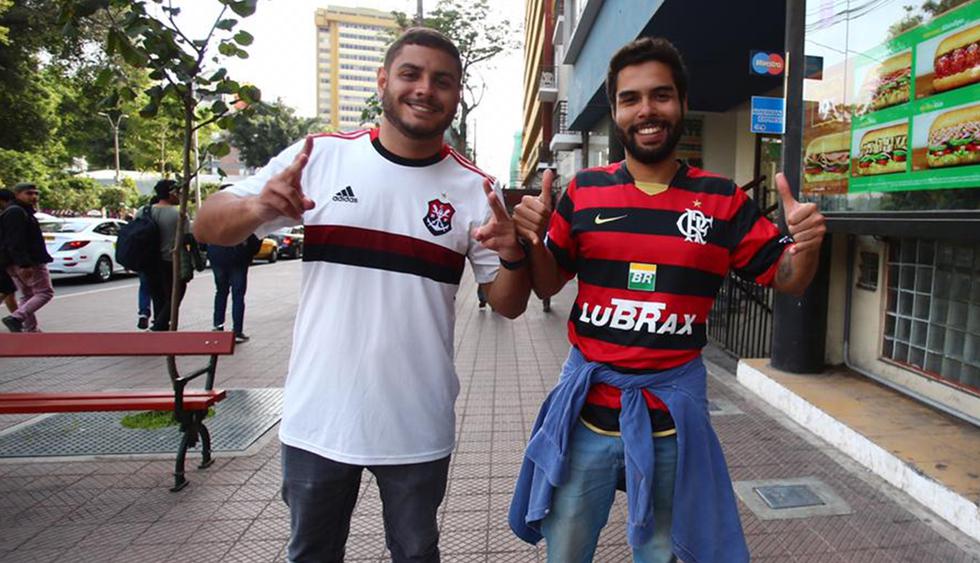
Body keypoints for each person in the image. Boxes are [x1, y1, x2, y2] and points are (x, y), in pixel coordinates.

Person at [193, 28, 532, 563]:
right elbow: (208, 225)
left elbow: (508, 303)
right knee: (312, 553)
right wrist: (258, 208)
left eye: (442, 81)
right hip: (319, 419)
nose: (425, 89)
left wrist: (514, 256)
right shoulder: (319, 157)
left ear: (457, 94)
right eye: (410, 74)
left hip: (417, 420)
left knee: (416, 553)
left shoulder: (476, 188)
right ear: (382, 80)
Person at [507, 37, 826, 563]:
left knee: (661, 552)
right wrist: (532, 242)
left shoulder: (723, 200)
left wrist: (807, 246)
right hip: (587, 413)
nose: (646, 110)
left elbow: (787, 278)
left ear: (682, 103)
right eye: (630, 99)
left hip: (672, 423)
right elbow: (546, 283)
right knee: (566, 551)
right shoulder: (584, 191)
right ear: (615, 112)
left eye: (661, 95)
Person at [0, 183, 55, 332]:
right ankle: (16, 317)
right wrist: (24, 264)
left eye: (36, 193)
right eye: (29, 193)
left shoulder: (19, 211)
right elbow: (15, 240)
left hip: (16, 261)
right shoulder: (16, 212)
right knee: (45, 292)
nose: (34, 197)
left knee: (28, 295)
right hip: (28, 261)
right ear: (17, 194)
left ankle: (30, 328)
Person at [207, 232, 261, 343]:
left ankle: (218, 326)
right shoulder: (241, 220)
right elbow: (255, 240)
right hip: (238, 256)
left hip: (217, 255)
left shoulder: (216, 221)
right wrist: (248, 252)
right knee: (238, 295)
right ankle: (237, 331)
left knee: (221, 292)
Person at [145, 179, 184, 332]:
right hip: (169, 261)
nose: (180, 195)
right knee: (176, 294)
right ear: (171, 193)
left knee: (157, 296)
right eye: (178, 192)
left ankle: (160, 327)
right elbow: (187, 237)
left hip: (148, 261)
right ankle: (159, 326)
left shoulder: (143, 211)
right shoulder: (178, 214)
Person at [0, 189, 21, 315]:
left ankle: (17, 318)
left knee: (8, 290)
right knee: (7, 289)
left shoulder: (6, 213)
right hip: (3, 259)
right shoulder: (9, 214)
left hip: (5, 258)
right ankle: (17, 318)